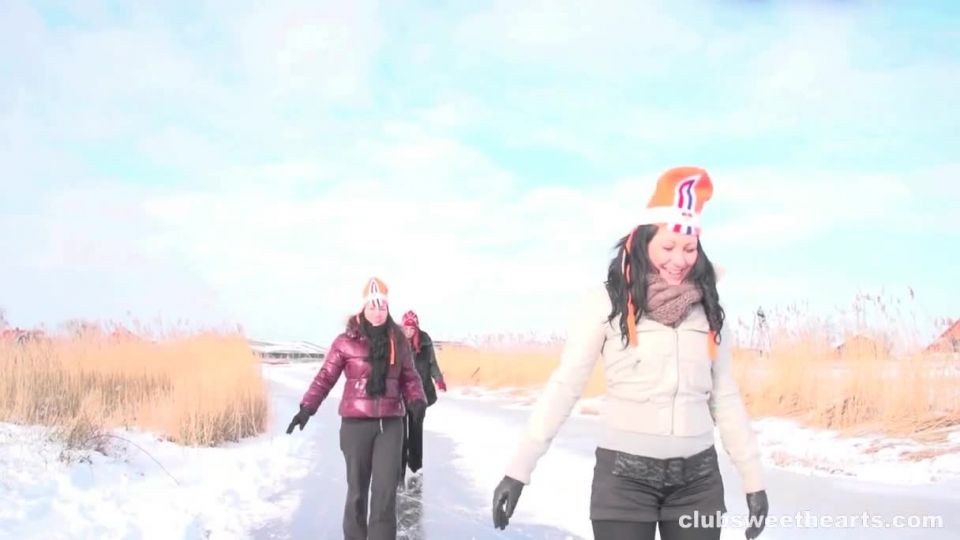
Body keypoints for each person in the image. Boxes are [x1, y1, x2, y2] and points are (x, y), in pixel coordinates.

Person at [491, 167, 769, 540]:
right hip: (624, 481)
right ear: (642, 242)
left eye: (689, 249)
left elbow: (725, 397)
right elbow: (565, 387)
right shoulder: (606, 303)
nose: (679, 260)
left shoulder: (708, 309)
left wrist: (753, 479)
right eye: (667, 247)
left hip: (697, 484)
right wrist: (518, 470)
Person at [287, 277, 427, 540]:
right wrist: (307, 408)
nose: (378, 312)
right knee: (357, 494)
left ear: (388, 309)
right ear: (362, 308)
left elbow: (410, 377)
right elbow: (325, 377)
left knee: (385, 495)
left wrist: (417, 399)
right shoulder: (345, 341)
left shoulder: (398, 340)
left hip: (391, 426)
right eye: (372, 306)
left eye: (382, 306)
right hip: (355, 426)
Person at [398, 310, 447, 482]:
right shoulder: (397, 341)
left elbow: (432, 363)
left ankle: (415, 464)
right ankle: (400, 466)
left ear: (416, 328)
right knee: (400, 431)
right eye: (406, 328)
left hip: (420, 393)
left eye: (412, 328)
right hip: (401, 394)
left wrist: (439, 380)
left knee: (416, 429)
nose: (409, 331)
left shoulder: (425, 342)